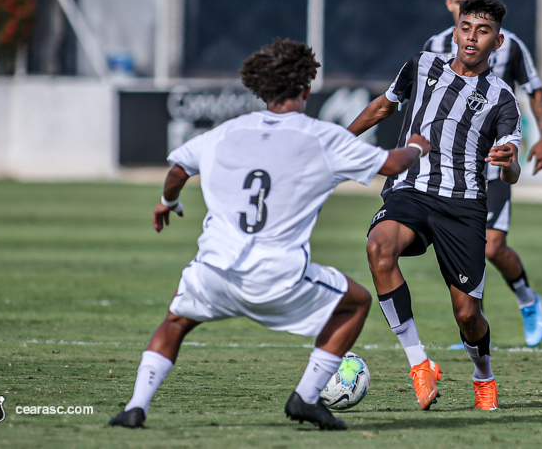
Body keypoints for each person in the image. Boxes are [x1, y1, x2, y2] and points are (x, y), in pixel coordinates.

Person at [108, 38, 430, 431]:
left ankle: (135, 407)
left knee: (175, 322)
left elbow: (177, 170)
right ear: (307, 88)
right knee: (356, 303)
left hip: (215, 269)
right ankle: (306, 398)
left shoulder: (225, 132)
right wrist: (415, 145)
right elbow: (395, 164)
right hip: (278, 275)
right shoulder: (322, 137)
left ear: (259, 89)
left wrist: (167, 201)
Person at [347, 0, 522, 411]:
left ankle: (483, 375)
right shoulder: (421, 64)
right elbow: (382, 107)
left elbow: (511, 168)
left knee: (467, 315)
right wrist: (333, 144)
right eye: (466, 28)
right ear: (455, 29)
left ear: (497, 43)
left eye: (483, 32)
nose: (472, 38)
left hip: (462, 206)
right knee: (379, 248)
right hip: (409, 189)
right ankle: (419, 363)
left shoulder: (501, 98)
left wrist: (510, 162)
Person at [424, 0, 542, 348]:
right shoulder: (433, 45)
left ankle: (528, 300)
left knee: (492, 247)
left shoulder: (508, 44)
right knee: (454, 250)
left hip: (492, 168)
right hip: (448, 170)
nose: (468, 3)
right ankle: (471, 328)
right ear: (450, 4)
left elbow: (534, 89)